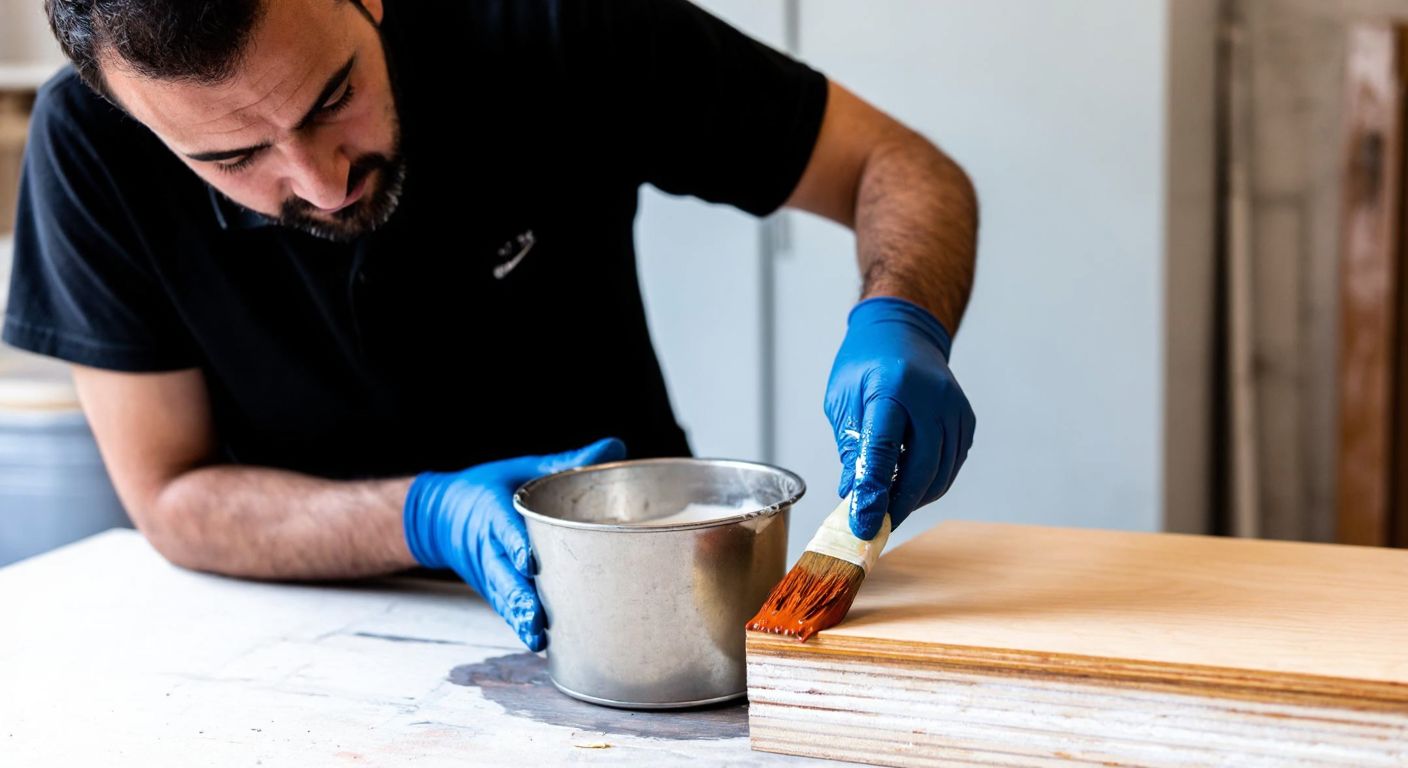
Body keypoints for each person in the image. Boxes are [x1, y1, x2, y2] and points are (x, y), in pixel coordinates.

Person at [4, 0, 977, 650]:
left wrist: (903, 319)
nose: (319, 181)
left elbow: (894, 166)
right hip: (315, 631)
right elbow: (170, 494)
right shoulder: (89, 149)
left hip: (647, 604)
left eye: (333, 96)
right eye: (232, 156)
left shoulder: (557, 23)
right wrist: (423, 517)